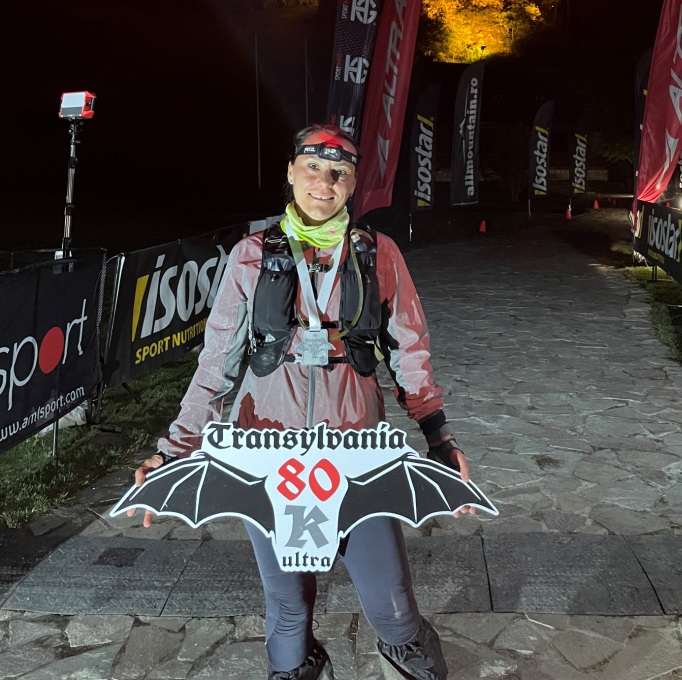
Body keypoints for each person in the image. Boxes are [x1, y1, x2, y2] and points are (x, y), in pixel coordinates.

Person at [129, 124, 473, 680]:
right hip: (268, 459)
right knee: (288, 611)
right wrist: (173, 451)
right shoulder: (250, 255)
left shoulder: (378, 254)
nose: (325, 182)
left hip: (357, 457)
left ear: (354, 184)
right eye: (312, 167)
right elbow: (217, 364)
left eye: (340, 172)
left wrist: (439, 435)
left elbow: (410, 350)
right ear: (290, 172)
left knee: (394, 611)